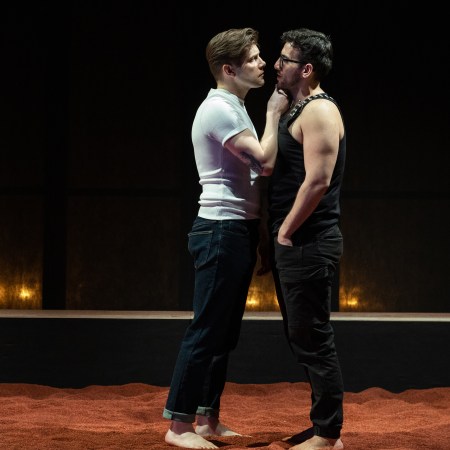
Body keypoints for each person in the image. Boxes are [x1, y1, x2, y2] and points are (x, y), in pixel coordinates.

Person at [162, 28, 289, 449]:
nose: (262, 63)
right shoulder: (220, 109)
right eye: (252, 58)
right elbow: (264, 163)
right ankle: (179, 426)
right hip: (220, 228)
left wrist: (259, 232)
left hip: (237, 227)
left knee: (223, 333)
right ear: (228, 69)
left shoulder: (234, 106)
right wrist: (274, 114)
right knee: (206, 330)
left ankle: (206, 419)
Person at [268, 28, 346, 450]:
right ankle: (322, 427)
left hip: (309, 242)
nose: (276, 65)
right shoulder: (298, 109)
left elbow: (317, 181)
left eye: (285, 60)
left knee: (313, 338)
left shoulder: (320, 112)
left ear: (307, 69)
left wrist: (285, 231)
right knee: (302, 337)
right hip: (296, 243)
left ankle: (328, 435)